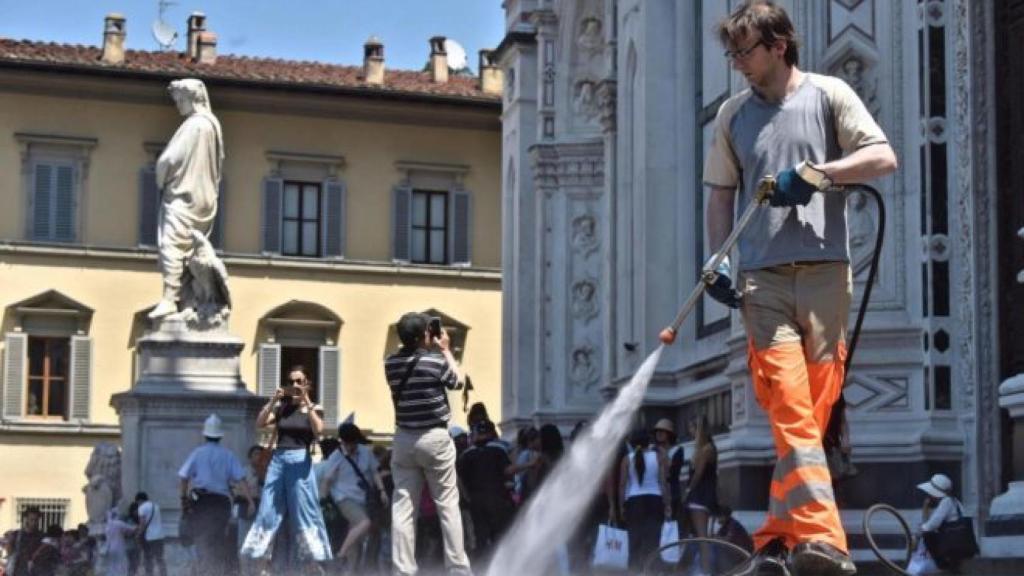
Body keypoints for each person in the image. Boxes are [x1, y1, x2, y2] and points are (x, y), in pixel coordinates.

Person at [703, 1, 898, 574]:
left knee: (808, 416)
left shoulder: (830, 95)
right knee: (789, 405)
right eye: (731, 51)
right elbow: (720, 193)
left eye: (745, 50)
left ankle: (777, 539)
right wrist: (717, 259)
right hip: (761, 280)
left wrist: (818, 174)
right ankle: (826, 541)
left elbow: (882, 157)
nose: (736, 61)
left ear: (778, 45)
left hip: (825, 274)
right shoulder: (732, 115)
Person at [384, 312, 471, 576]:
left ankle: (403, 569)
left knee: (403, 508)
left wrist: (426, 344)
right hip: (434, 438)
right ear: (425, 335)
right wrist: (445, 350)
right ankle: (457, 568)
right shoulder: (434, 361)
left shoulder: (391, 363)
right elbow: (457, 382)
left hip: (403, 439)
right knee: (447, 504)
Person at [240, 366, 332, 572]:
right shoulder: (282, 407)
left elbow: (319, 431)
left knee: (305, 511)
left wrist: (306, 400)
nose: (295, 386)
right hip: (279, 460)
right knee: (268, 508)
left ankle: (313, 564)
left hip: (300, 460)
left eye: (299, 381)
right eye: (291, 382)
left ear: (307, 383)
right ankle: (261, 564)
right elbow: (260, 423)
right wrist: (274, 400)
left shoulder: (315, 407)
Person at [149, 78, 224, 320]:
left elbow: (169, 160)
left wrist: (160, 177)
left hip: (184, 197)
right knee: (190, 251)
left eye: (180, 100)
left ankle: (170, 299)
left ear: (191, 98)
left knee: (171, 245)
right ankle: (189, 301)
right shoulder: (213, 126)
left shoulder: (195, 125)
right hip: (205, 198)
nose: (178, 106)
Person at [178, 414, 254, 576]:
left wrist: (183, 499)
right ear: (220, 436)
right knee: (218, 539)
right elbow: (241, 479)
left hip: (202, 503)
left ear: (205, 435)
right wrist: (251, 502)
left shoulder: (197, 453)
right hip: (222, 503)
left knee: (202, 540)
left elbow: (184, 477)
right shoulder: (228, 455)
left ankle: (205, 570)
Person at [322, 422, 388, 570]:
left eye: (355, 442)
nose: (353, 446)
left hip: (363, 498)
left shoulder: (366, 451)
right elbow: (327, 480)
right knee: (364, 522)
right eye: (350, 443)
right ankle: (339, 556)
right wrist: (324, 502)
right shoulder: (336, 456)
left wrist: (382, 490)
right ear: (343, 442)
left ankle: (350, 571)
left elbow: (375, 472)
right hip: (344, 498)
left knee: (355, 540)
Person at [456, 420, 515, 561]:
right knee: (499, 535)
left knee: (480, 537)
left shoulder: (466, 454)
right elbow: (508, 471)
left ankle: (481, 568)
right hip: (497, 498)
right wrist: (528, 464)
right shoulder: (499, 449)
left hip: (476, 500)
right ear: (491, 433)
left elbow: (459, 480)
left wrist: (467, 497)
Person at [619, 429, 671, 573]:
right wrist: (667, 504)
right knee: (653, 543)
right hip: (655, 501)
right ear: (649, 441)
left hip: (634, 503)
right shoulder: (658, 457)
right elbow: (663, 483)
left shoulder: (627, 459)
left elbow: (622, 485)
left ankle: (634, 572)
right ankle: (652, 572)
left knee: (634, 543)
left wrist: (622, 506)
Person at [684, 415, 719, 575]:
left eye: (692, 428)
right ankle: (702, 569)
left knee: (702, 537)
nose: (690, 432)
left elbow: (698, 473)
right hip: (705, 495)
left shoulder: (705, 450)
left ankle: (705, 571)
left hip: (699, 496)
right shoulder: (709, 448)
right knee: (701, 536)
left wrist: (688, 490)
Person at [907, 474, 961, 575]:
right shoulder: (955, 501)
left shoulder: (946, 501)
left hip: (952, 543)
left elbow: (931, 525)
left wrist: (916, 535)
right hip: (958, 541)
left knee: (928, 535)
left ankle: (942, 564)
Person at [132, 493, 167, 576]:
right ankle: (164, 573)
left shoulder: (142, 508)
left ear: (139, 500)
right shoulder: (156, 506)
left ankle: (149, 573)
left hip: (150, 537)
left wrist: (138, 534)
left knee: (148, 558)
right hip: (160, 536)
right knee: (160, 558)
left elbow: (142, 524)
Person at [4, 506, 43, 576]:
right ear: (26, 519)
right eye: (32, 519)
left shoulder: (42, 536)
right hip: (18, 572)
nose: (34, 522)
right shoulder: (16, 535)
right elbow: (9, 552)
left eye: (36, 520)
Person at [104, 509, 138, 576]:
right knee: (121, 566)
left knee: (112, 567)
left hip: (110, 548)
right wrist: (139, 526)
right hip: (119, 548)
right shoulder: (118, 523)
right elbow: (131, 529)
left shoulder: (108, 525)